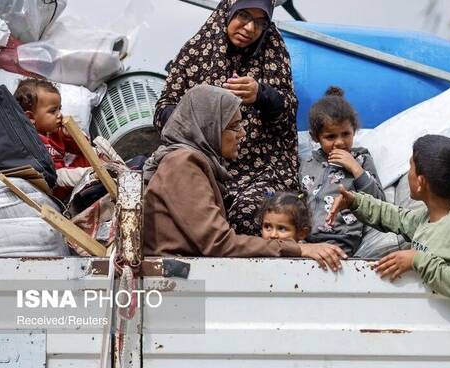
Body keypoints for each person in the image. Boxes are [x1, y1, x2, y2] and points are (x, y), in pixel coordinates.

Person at [144, 85, 346, 271]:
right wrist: (297, 249)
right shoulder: (183, 164)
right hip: (175, 282)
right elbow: (218, 243)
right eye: (234, 126)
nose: (242, 134)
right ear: (210, 127)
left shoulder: (193, 163)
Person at [154, 0, 299, 236]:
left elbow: (289, 115)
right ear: (227, 12)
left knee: (249, 214)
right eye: (243, 15)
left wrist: (262, 95)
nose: (250, 28)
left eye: (260, 22)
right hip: (201, 167)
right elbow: (163, 110)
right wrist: (200, 116)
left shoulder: (273, 50)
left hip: (260, 171)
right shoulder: (196, 51)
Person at [327, 135, 450, 304]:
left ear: (420, 182)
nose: (408, 173)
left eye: (411, 167)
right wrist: (355, 201)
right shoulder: (428, 218)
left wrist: (416, 259)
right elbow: (396, 217)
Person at [299, 86, 385, 256]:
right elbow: (297, 199)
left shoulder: (361, 159)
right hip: (306, 240)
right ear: (315, 137)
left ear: (354, 130)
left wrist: (355, 168)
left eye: (346, 134)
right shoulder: (307, 163)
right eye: (330, 137)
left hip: (342, 238)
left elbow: (379, 201)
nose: (339, 142)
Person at [14, 78, 91, 199]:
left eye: (59, 108)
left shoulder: (56, 132)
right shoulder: (31, 141)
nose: (59, 114)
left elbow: (84, 149)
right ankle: (95, 177)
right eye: (53, 111)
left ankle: (107, 171)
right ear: (30, 117)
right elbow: (50, 175)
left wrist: (71, 136)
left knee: (94, 154)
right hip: (54, 184)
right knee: (89, 172)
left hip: (66, 174)